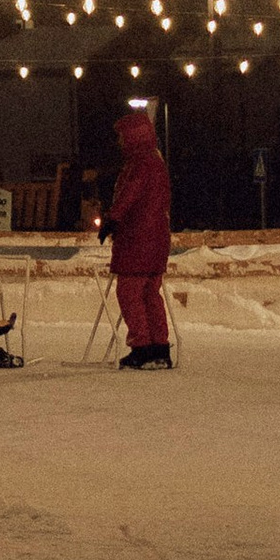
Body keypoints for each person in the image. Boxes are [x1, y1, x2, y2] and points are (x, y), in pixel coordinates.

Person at [100, 106, 175, 366]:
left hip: (137, 239)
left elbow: (130, 194)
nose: (120, 142)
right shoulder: (157, 162)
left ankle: (142, 346)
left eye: (122, 136)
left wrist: (112, 219)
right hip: (157, 240)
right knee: (150, 294)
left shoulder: (140, 164)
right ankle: (160, 347)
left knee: (130, 293)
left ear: (133, 137)